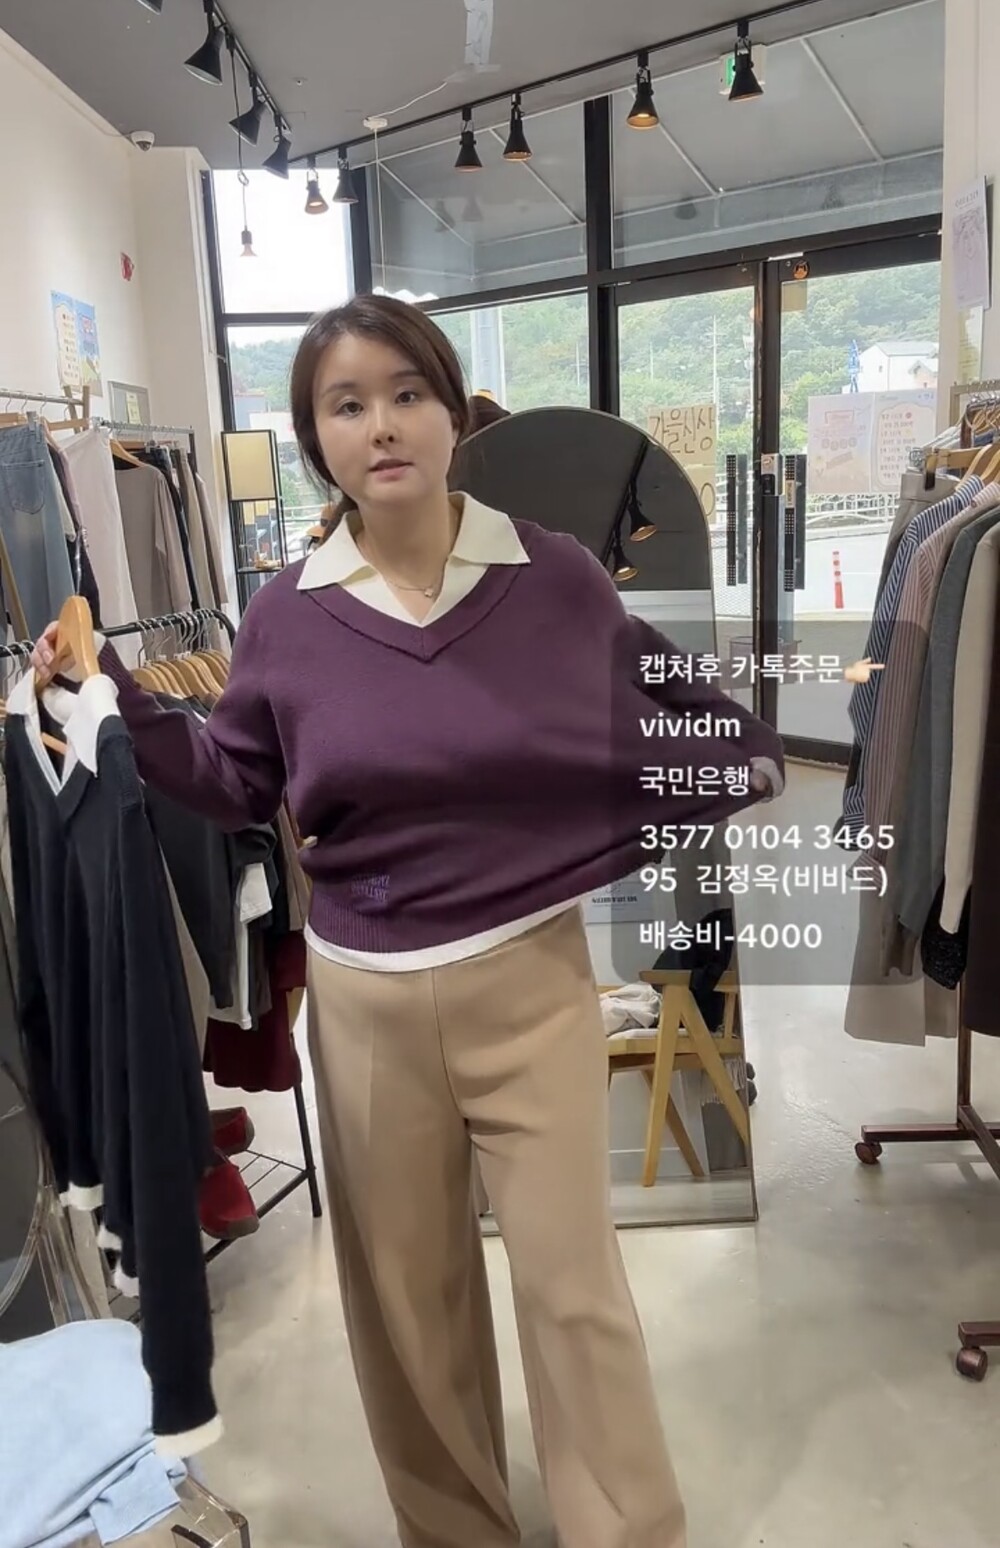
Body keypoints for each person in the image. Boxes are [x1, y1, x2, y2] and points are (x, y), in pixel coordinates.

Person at [34, 294, 784, 1548]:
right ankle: (455, 1532)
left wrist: (716, 766)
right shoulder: (287, 614)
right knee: (409, 1307)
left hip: (529, 982)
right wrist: (113, 695)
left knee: (575, 1292)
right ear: (315, 440)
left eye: (404, 393)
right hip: (366, 1004)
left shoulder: (553, 576)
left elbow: (662, 706)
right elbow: (238, 781)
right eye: (346, 405)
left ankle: (627, 1529)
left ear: (449, 413)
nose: (380, 425)